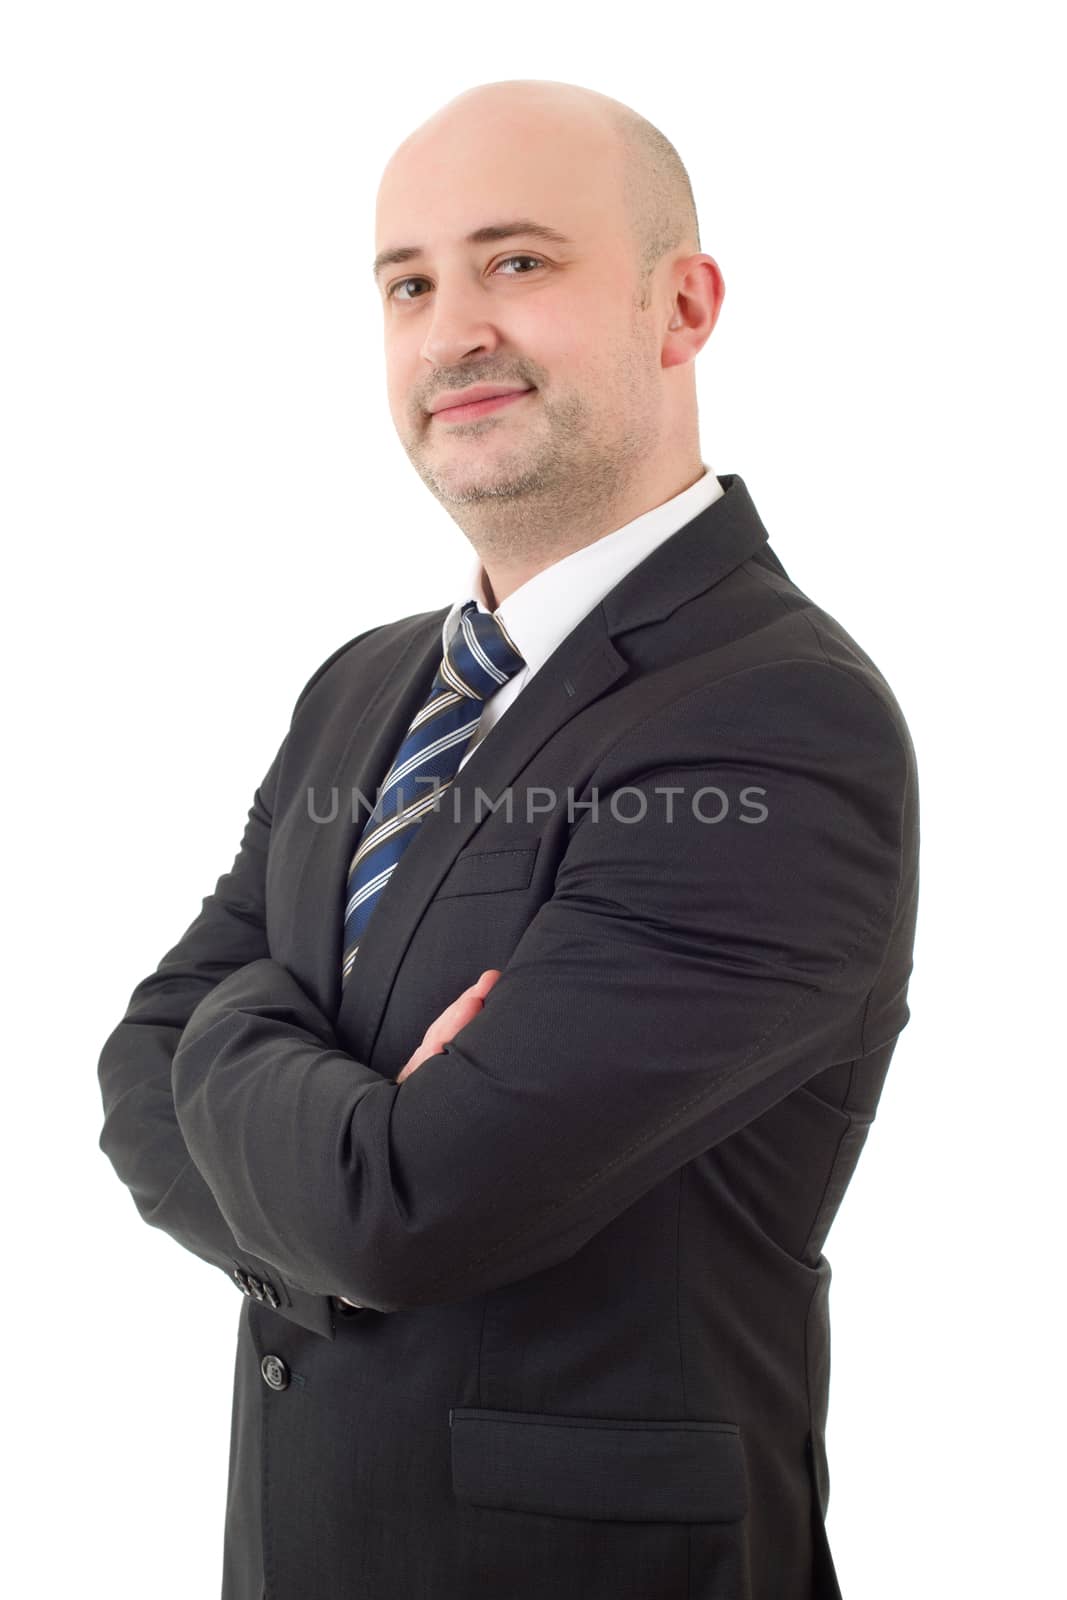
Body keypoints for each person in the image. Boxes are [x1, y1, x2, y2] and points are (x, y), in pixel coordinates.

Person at [96, 76, 919, 1600]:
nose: (450, 329)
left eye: (517, 263)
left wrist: (245, 1037)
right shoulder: (363, 686)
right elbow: (135, 1067)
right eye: (408, 284)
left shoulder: (774, 722)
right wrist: (290, 1069)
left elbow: (407, 1207)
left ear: (683, 306)